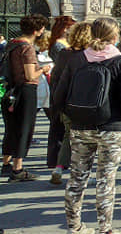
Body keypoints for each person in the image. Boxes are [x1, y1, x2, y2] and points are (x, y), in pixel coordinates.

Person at [53, 17, 121, 234]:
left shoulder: (78, 59)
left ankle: (74, 228)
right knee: (106, 179)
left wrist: (69, 117)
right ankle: (105, 231)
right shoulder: (120, 61)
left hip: (80, 126)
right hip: (112, 127)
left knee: (77, 177)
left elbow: (59, 94)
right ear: (115, 36)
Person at [1, 14, 52, 181]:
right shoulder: (27, 48)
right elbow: (30, 75)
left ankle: (6, 164)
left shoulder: (11, 44)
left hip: (11, 91)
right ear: (37, 31)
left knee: (11, 128)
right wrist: (43, 69)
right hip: (26, 91)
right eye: (42, 28)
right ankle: (18, 169)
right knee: (24, 128)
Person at [48, 22, 93, 185]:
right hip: (85, 102)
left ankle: (59, 167)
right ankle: (81, 172)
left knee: (69, 134)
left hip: (66, 102)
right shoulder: (91, 54)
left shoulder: (64, 54)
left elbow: (56, 78)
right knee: (87, 138)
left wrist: (57, 102)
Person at [44, 16, 76, 170]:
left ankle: (59, 157)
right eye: (69, 27)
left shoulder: (65, 44)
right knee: (57, 123)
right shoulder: (58, 45)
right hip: (59, 84)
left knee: (61, 124)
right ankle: (54, 158)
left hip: (62, 83)